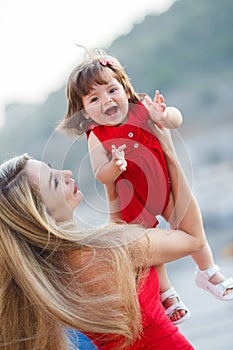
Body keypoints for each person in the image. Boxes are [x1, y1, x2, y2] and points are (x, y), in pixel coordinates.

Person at [57, 48, 233, 323]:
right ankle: (167, 293)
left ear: (125, 89)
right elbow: (100, 173)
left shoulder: (142, 109)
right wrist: (114, 167)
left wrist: (165, 115)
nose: (107, 100)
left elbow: (176, 119)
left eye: (112, 90)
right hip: (133, 199)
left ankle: (208, 272)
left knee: (190, 225)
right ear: (85, 113)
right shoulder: (97, 135)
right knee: (152, 248)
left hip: (164, 188)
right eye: (94, 98)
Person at [0, 125, 206, 350]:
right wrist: (168, 153)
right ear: (42, 215)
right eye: (54, 181)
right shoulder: (112, 251)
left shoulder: (45, 276)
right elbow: (193, 238)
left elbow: (108, 240)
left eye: (52, 169)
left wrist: (111, 187)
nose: (66, 174)